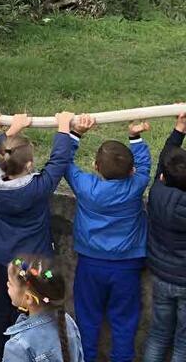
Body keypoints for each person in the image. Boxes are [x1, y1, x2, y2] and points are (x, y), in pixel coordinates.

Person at [0, 110, 77, 361]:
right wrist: (64, 128)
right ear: (28, 165)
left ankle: (0, 355)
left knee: (1, 310)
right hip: (34, 264)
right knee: (35, 312)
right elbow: (58, 162)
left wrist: (11, 130)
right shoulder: (37, 189)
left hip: (3, 260)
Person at [66, 116, 151, 362]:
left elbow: (64, 162)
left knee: (87, 319)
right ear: (131, 171)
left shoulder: (85, 186)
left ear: (95, 166)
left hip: (90, 265)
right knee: (124, 322)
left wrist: (75, 134)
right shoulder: (136, 185)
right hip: (128, 266)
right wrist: (135, 137)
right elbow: (145, 165)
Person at [144, 111, 186, 362]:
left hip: (161, 275)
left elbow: (165, 161)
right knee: (183, 341)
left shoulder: (157, 193)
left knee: (158, 334)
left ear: (163, 177)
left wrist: (179, 130)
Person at [3, 256, 84, 362]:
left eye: (10, 283)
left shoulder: (17, 346)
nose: (7, 285)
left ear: (28, 298)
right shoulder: (67, 321)